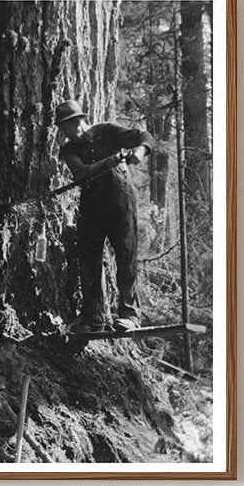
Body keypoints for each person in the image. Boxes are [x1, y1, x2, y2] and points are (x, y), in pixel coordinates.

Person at [54, 100, 155, 333]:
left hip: (121, 201)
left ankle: (129, 315)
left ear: (81, 120)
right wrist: (113, 159)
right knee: (89, 258)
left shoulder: (107, 132)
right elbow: (82, 173)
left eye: (72, 123)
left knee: (126, 254)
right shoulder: (69, 150)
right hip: (91, 205)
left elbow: (145, 136)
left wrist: (140, 151)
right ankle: (93, 318)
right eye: (64, 127)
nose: (70, 130)